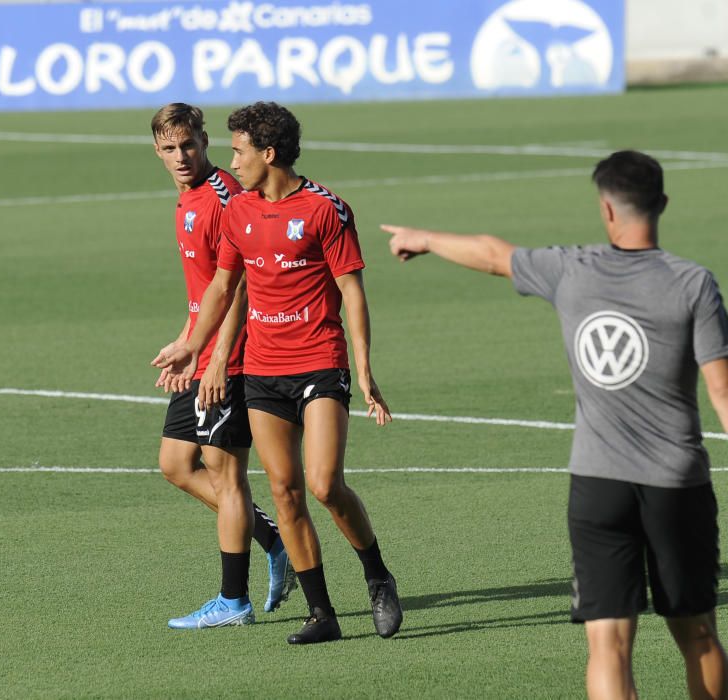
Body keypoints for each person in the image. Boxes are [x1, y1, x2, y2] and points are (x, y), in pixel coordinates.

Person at [382, 150, 728, 699]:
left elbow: (495, 255)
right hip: (677, 486)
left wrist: (423, 237)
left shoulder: (572, 270)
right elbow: (722, 393)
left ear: (606, 211)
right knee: (699, 633)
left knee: (608, 647)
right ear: (661, 204)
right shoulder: (693, 284)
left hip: (598, 486)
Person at [153, 101, 402, 645]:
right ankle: (322, 614)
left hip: (317, 359)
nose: (231, 160)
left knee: (323, 485)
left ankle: (377, 575)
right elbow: (225, 287)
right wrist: (193, 347)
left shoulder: (324, 210)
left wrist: (363, 370)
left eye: (238, 150)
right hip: (263, 369)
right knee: (285, 491)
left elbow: (352, 292)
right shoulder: (240, 210)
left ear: (268, 154)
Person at [151, 103, 296, 629]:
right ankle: (274, 539)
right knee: (175, 464)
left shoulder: (223, 199)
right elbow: (205, 290)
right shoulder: (188, 200)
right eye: (169, 148)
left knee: (225, 475)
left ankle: (233, 601)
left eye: (188, 145)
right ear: (157, 151)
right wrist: (186, 342)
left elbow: (237, 288)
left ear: (204, 141)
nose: (180, 156)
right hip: (203, 351)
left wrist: (212, 359)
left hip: (230, 359)